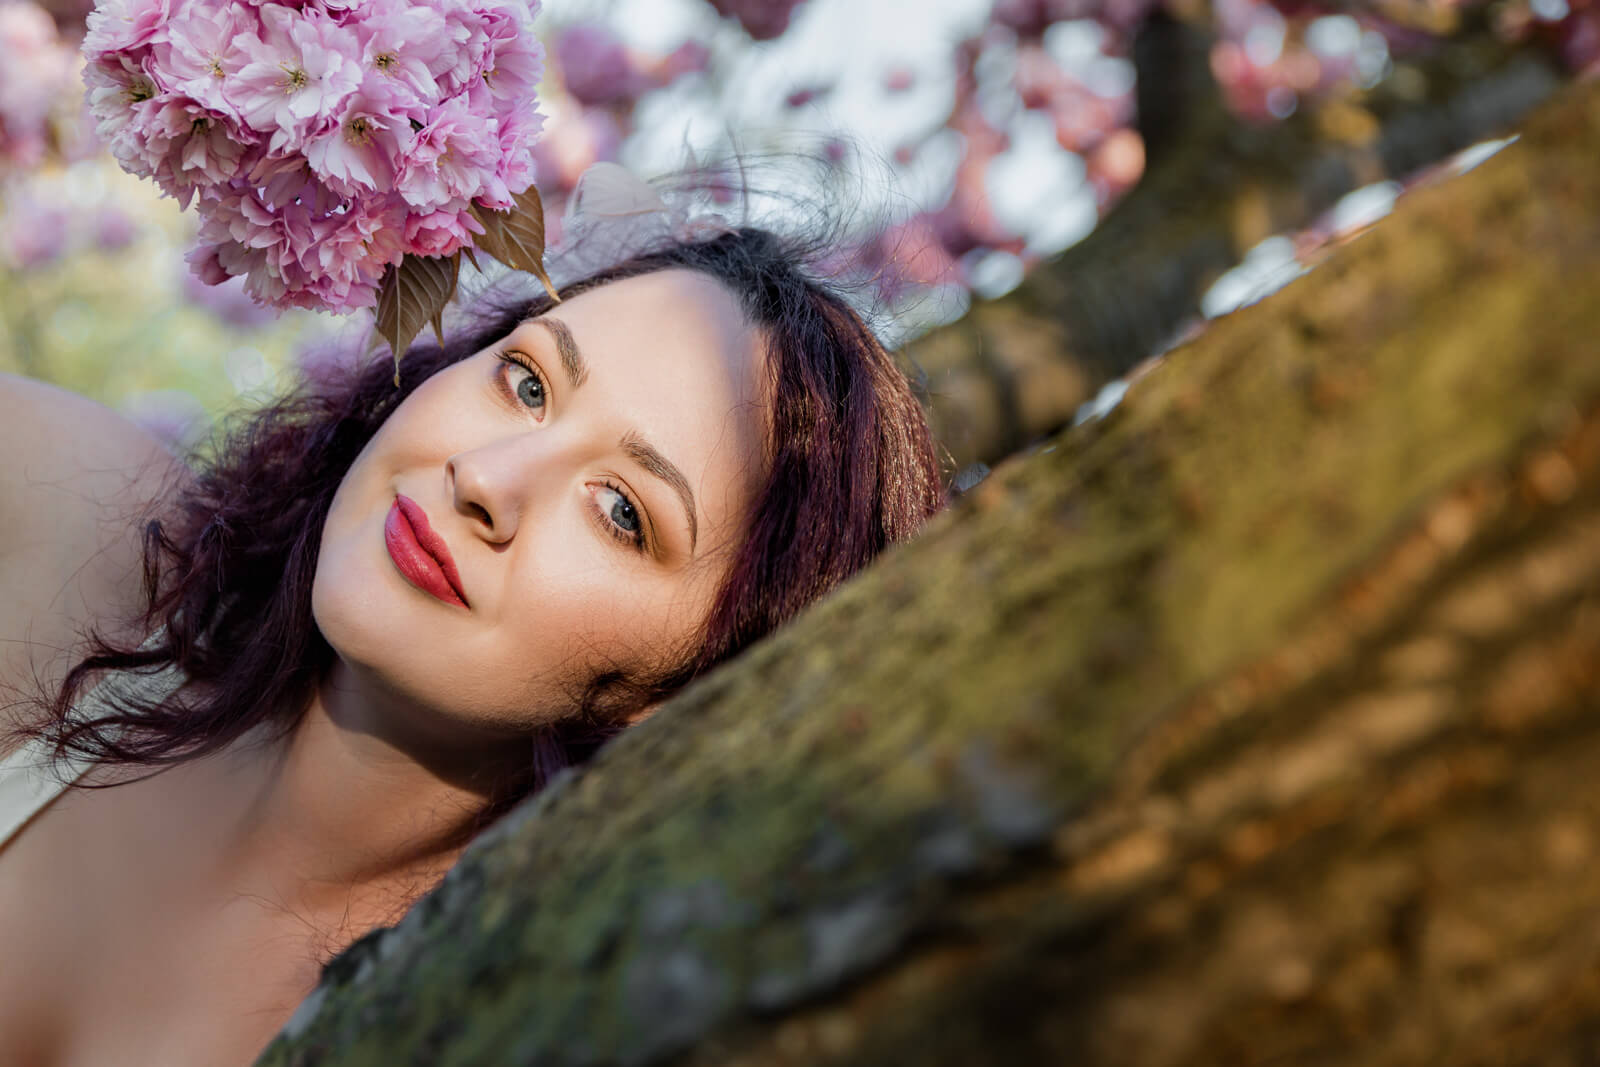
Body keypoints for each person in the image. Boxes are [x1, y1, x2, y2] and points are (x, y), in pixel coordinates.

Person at [0, 209, 946, 1064]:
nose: (488, 478)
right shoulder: (61, 526)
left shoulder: (504, 1025)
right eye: (527, 382)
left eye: (621, 510)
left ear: (697, 690)